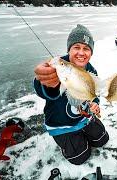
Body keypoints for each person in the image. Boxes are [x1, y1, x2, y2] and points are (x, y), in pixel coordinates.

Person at [33, 24, 109, 165]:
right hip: (62, 125)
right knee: (80, 157)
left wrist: (95, 103)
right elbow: (43, 87)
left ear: (91, 53)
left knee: (102, 139)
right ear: (69, 49)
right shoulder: (59, 66)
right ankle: (68, 141)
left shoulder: (91, 70)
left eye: (86, 48)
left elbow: (93, 93)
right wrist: (46, 82)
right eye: (76, 47)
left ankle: (82, 132)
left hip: (83, 118)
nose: (81, 53)